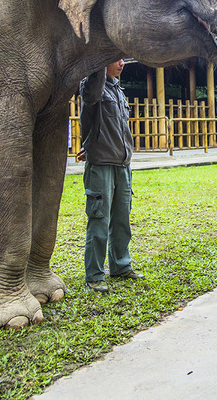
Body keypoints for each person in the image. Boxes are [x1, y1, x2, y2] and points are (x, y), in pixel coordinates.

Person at [78, 59, 144, 292]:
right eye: (115, 58)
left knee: (121, 218)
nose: (122, 63)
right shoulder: (92, 87)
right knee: (99, 219)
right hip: (102, 164)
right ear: (103, 61)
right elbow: (90, 102)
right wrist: (99, 55)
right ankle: (94, 274)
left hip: (122, 164)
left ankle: (121, 265)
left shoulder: (118, 91)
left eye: (123, 58)